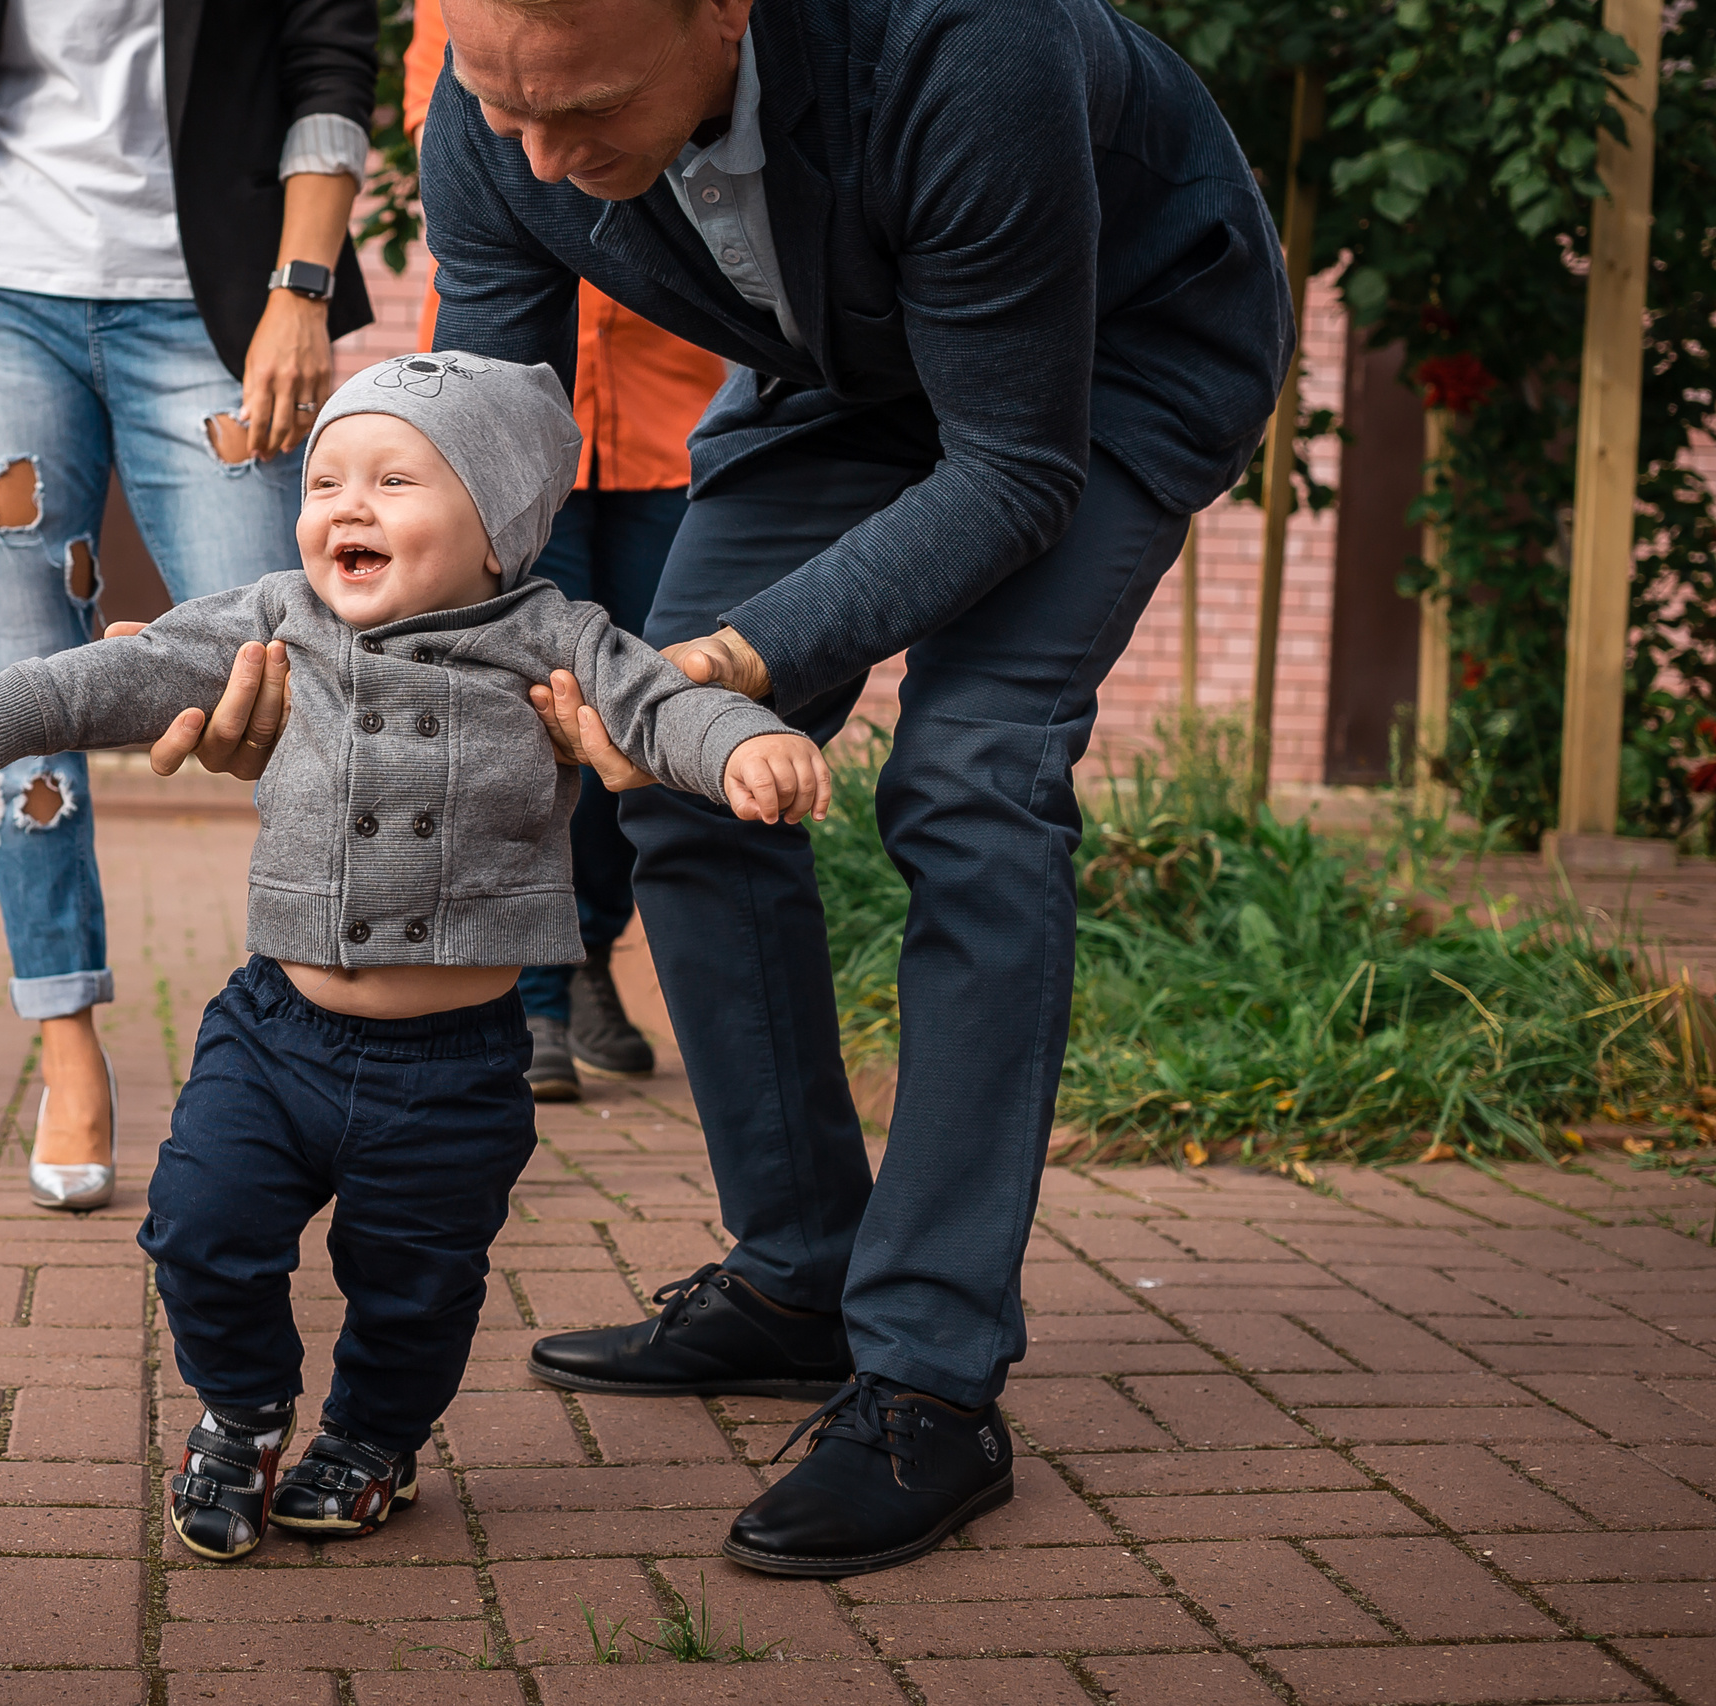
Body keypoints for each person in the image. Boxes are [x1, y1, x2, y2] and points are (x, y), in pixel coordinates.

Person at [400, 0, 1295, 1577]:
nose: (538, 159)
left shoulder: (969, 45)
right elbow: (495, 460)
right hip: (838, 354)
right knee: (676, 779)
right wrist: (382, 671)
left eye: (586, 110)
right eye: (503, 108)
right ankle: (803, 1271)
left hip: (1113, 349)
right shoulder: (503, 113)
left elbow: (1016, 465)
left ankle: (933, 1377)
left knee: (969, 776)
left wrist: (733, 663)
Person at [0, 352, 827, 1561]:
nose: (344, 504)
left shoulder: (553, 633)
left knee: (414, 1286)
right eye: (326, 478)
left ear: (498, 525)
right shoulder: (277, 617)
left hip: (451, 1067)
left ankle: (373, 1436)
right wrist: (7, 707)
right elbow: (137, 667)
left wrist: (743, 743)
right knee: (200, 1223)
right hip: (277, 1029)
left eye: (394, 479)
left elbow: (660, 702)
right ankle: (241, 1412)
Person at [0, 0, 376, 1211]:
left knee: (288, 668)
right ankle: (66, 1041)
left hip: (213, 303)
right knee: (21, 685)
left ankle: (339, 1025)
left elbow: (328, 56)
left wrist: (303, 285)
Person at [403, 0, 729, 1101]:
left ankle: (588, 942)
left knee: (638, 705)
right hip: (520, 402)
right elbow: (485, 162)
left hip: (673, 413)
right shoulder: (466, 16)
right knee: (521, 699)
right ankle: (528, 991)